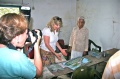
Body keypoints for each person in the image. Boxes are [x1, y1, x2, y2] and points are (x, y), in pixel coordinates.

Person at [0, 13, 42, 79]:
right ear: (17, 36)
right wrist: (36, 45)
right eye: (26, 33)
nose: (27, 36)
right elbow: (38, 73)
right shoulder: (17, 57)